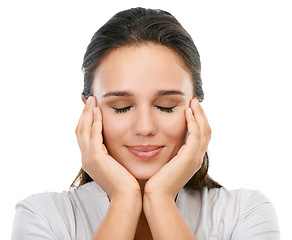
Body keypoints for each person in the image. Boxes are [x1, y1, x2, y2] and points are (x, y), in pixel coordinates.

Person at [11, 7, 280, 239]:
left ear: (196, 110)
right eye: (121, 107)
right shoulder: (42, 216)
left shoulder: (246, 213)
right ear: (89, 114)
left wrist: (160, 199)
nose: (144, 127)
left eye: (166, 106)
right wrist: (124, 199)